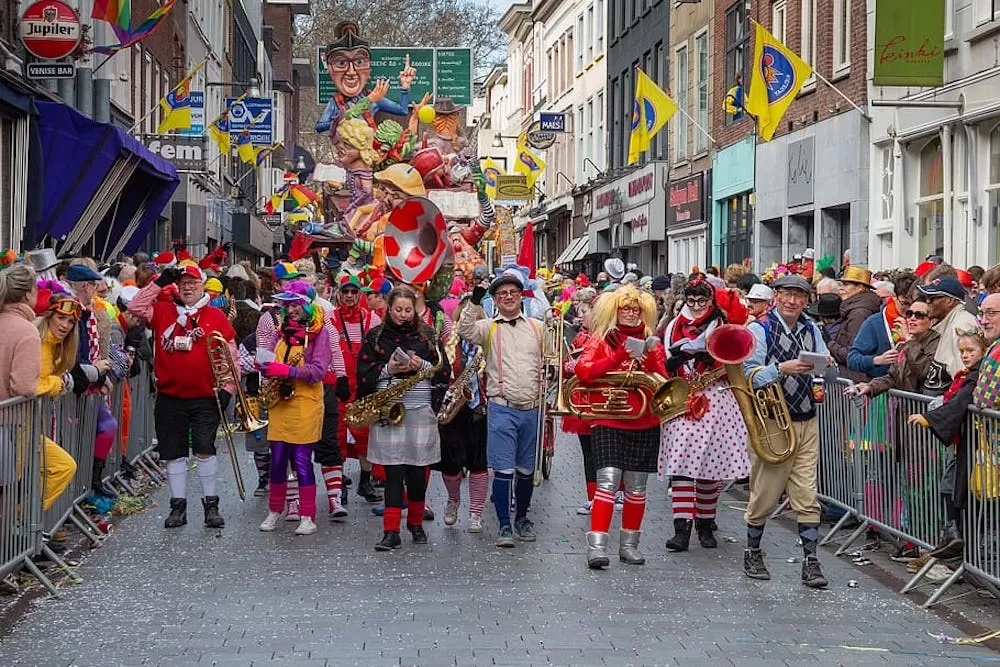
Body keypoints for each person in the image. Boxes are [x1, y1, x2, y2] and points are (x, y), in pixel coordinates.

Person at [129, 264, 238, 529]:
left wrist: (228, 389)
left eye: (193, 282)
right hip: (170, 396)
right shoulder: (165, 311)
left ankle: (211, 504)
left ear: (202, 285)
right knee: (173, 452)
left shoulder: (215, 315)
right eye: (182, 283)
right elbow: (135, 308)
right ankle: (178, 506)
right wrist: (157, 283)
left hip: (205, 396)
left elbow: (230, 354)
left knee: (205, 449)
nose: (188, 287)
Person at [742, 274, 831, 588]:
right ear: (776, 296)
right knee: (766, 491)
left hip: (806, 416)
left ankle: (811, 561)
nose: (793, 301)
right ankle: (752, 549)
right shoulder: (760, 328)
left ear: (807, 300)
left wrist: (825, 363)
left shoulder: (811, 328)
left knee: (806, 494)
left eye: (799, 296)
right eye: (787, 295)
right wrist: (780, 368)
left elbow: (825, 361)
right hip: (772, 420)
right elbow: (747, 375)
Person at [575, 285, 667, 568]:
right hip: (608, 416)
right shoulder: (601, 337)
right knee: (608, 481)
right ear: (615, 311)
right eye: (625, 309)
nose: (630, 313)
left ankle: (629, 546)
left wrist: (648, 358)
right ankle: (597, 547)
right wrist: (617, 357)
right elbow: (583, 370)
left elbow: (663, 379)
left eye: (635, 310)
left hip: (642, 420)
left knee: (637, 487)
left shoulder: (652, 339)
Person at [356, 286, 450, 550]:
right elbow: (362, 373)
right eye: (398, 310)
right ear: (389, 308)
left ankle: (416, 524)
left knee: (418, 473)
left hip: (419, 409)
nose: (403, 315)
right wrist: (388, 368)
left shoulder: (428, 336)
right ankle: (391, 530)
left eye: (408, 310)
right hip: (389, 411)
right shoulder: (375, 336)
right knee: (394, 473)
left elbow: (443, 371)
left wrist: (420, 365)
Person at [659, 276, 750, 552]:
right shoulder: (674, 326)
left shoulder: (721, 324)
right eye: (691, 301)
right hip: (684, 399)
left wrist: (715, 358)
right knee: (682, 467)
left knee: (711, 469)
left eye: (702, 301)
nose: (696, 306)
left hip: (717, 400)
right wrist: (672, 362)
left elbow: (736, 357)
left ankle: (706, 524)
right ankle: (682, 528)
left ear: (711, 301)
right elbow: (664, 360)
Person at [458, 269, 543, 547]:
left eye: (513, 293)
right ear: (495, 299)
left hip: (532, 407)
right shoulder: (489, 326)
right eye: (502, 293)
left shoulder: (536, 327)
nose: (508, 297)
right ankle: (505, 524)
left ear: (521, 296)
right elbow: (465, 331)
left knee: (526, 469)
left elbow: (550, 358)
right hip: (501, 406)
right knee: (504, 469)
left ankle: (522, 518)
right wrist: (474, 301)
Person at [257, 282, 332, 536]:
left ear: (308, 305)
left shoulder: (320, 333)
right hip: (280, 401)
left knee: (301, 461)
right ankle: (275, 510)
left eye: (296, 304)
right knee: (277, 460)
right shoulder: (280, 332)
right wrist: (264, 364)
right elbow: (267, 355)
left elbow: (319, 370)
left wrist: (287, 370)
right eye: (288, 304)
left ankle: (307, 515)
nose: (291, 309)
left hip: (305, 404)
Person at [907, 329, 987, 561]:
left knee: (958, 489)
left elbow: (961, 403)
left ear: (982, 350)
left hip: (975, 445)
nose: (965, 355)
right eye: (962, 351)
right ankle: (954, 535)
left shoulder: (975, 375)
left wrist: (931, 419)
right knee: (949, 487)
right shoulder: (966, 375)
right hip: (962, 443)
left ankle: (959, 540)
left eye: (970, 350)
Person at [65, 262, 119, 499]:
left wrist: (101, 376)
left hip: (89, 381)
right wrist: (94, 373)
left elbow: (94, 349)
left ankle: (93, 480)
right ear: (86, 286)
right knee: (73, 439)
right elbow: (76, 353)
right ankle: (78, 491)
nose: (97, 291)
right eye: (95, 287)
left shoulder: (88, 312)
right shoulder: (72, 312)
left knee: (106, 427)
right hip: (75, 383)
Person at [329, 274, 383, 503]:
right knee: (337, 436)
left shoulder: (372, 320)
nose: (349, 296)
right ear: (339, 294)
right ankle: (338, 483)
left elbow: (380, 353)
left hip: (363, 387)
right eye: (345, 292)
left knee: (365, 436)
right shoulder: (329, 318)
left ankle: (365, 481)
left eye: (354, 292)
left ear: (360, 294)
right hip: (338, 386)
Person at [438, 298, 488, 532]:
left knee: (479, 461)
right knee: (450, 463)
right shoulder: (448, 343)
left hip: (478, 407)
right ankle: (453, 499)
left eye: (477, 319)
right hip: (452, 407)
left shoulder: (487, 345)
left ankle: (476, 513)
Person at [34, 291, 80, 510]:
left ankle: (21, 522)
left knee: (63, 467)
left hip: (30, 425)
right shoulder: (37, 341)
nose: (65, 325)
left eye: (70, 321)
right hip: (16, 424)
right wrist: (56, 384)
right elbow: (29, 385)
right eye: (61, 318)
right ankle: (20, 524)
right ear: (49, 315)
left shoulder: (55, 347)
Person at [851, 299, 939, 397]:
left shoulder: (936, 342)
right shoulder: (904, 343)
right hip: (905, 406)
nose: (912, 318)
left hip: (924, 408)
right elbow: (893, 377)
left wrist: (909, 341)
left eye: (919, 315)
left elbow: (925, 371)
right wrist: (870, 386)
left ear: (932, 321)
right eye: (909, 314)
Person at [561, 291, 597, 514]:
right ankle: (592, 496)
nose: (580, 316)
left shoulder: (605, 336)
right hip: (583, 400)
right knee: (588, 452)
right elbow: (567, 364)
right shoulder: (580, 337)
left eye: (584, 312)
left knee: (605, 451)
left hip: (602, 401)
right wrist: (568, 367)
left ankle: (616, 492)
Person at [847, 272, 916, 381]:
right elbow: (852, 359)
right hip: (882, 390)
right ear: (894, 297)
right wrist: (876, 360)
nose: (910, 309)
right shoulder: (875, 323)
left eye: (914, 304)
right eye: (905, 303)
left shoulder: (922, 320)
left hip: (914, 390)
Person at [920, 277, 978, 395]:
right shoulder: (951, 322)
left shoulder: (962, 324)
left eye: (932, 298)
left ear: (949, 301)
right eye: (926, 298)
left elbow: (964, 375)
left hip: (950, 408)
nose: (927, 302)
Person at [828, 266, 880, 382]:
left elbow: (852, 354)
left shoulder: (859, 313)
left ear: (860, 287)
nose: (841, 289)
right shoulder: (855, 309)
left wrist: (829, 343)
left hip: (855, 379)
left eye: (846, 285)